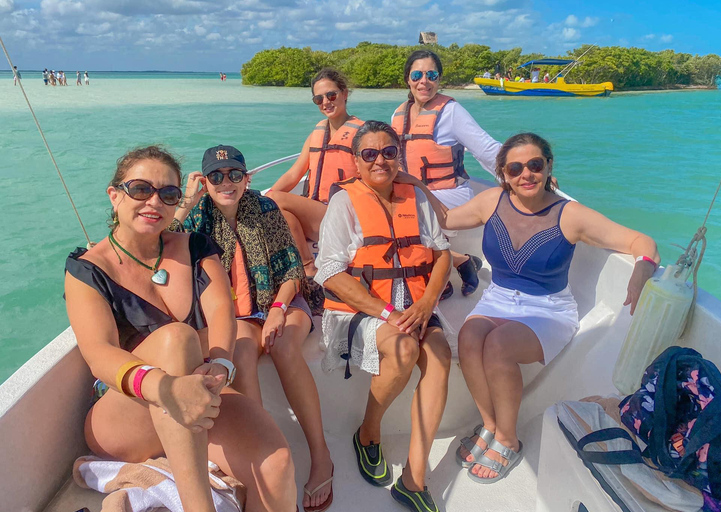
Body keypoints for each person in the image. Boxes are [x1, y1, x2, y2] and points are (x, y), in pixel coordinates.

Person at [401, 132, 659, 484]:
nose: (526, 174)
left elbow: (639, 240)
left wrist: (643, 266)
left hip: (548, 309)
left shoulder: (570, 215)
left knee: (499, 345)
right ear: (504, 174)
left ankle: (508, 439)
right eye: (516, 168)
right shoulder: (492, 201)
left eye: (535, 165)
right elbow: (446, 219)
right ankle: (490, 425)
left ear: (548, 166)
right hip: (499, 298)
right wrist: (415, 183)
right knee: (469, 337)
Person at [64, 145, 297, 511]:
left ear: (178, 201)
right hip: (125, 415)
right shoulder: (88, 270)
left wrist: (220, 365)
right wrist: (166, 388)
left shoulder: (197, 248)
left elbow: (223, 312)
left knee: (276, 463)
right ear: (115, 195)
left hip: (199, 393)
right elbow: (99, 354)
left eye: (168, 194)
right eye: (141, 189)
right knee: (177, 338)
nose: (153, 202)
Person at [172, 145, 334, 512]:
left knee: (285, 348)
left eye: (233, 174)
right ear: (205, 182)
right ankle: (264, 455)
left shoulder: (265, 209)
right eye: (216, 176)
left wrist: (278, 309)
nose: (225, 183)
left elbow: (293, 270)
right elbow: (158, 241)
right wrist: (185, 201)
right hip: (237, 316)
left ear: (247, 177)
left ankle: (320, 454)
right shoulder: (198, 217)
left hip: (284, 300)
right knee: (242, 353)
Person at [315, 120, 452, 512]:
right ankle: (368, 434)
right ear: (356, 161)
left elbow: (441, 253)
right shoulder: (344, 202)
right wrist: (389, 313)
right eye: (369, 154)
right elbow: (330, 273)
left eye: (389, 152)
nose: (380, 161)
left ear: (399, 156)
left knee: (440, 358)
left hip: (416, 303)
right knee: (406, 349)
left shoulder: (415, 197)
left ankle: (414, 479)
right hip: (364, 308)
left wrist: (427, 304)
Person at [392, 49, 502, 300]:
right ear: (407, 79)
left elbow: (486, 149)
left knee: (405, 217)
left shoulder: (451, 112)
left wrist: (522, 170)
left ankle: (437, 273)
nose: (424, 81)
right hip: (415, 192)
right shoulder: (398, 114)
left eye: (432, 75)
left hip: (450, 193)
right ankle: (460, 261)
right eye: (417, 74)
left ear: (439, 79)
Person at [268, 68, 364, 279]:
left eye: (331, 95)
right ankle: (308, 267)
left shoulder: (363, 134)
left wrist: (269, 197)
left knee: (274, 199)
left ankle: (308, 269)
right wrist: (261, 201)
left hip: (344, 217)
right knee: (278, 211)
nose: (325, 102)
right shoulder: (317, 133)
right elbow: (294, 174)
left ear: (344, 93)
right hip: (319, 213)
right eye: (318, 99)